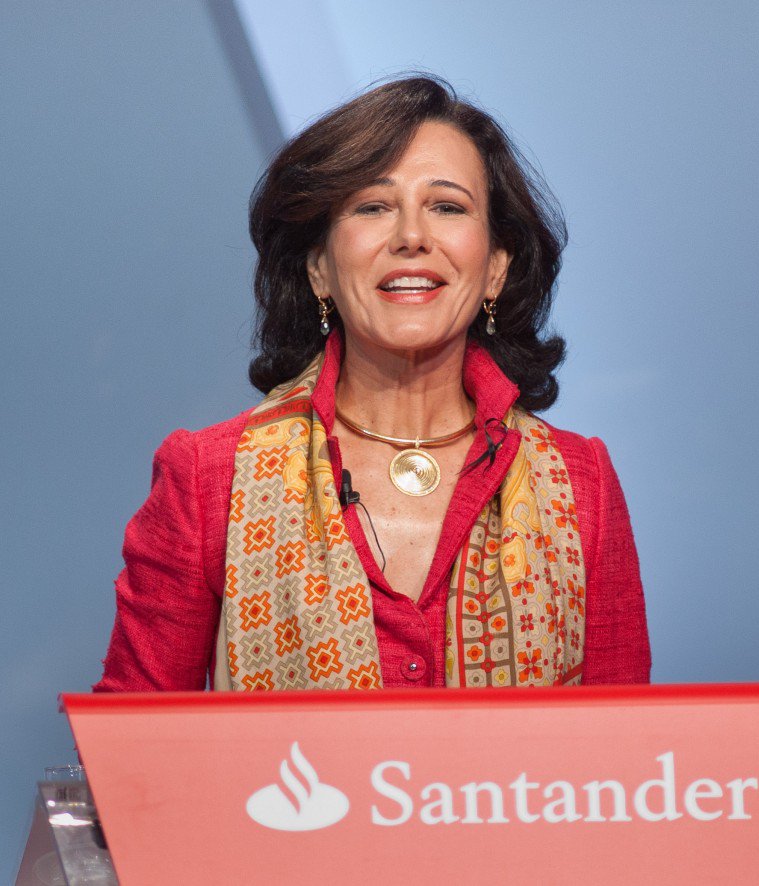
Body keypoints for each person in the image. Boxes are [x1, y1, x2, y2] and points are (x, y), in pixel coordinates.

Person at [94, 75, 650, 692]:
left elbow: (623, 760)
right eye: (372, 207)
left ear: (495, 267)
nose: (411, 236)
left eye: (447, 206)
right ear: (318, 269)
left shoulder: (581, 483)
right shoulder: (207, 478)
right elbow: (133, 759)